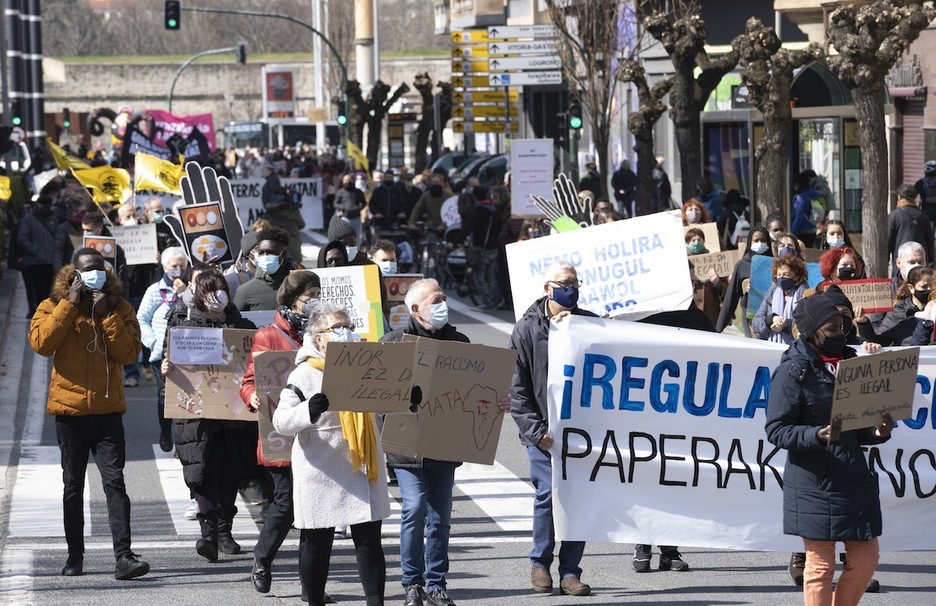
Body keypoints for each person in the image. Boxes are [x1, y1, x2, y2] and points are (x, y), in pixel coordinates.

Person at [28, 247, 150, 580]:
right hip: (70, 412)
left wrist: (107, 315)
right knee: (72, 486)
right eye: (87, 269)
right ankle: (75, 556)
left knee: (115, 482)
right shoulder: (52, 305)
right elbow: (41, 344)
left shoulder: (119, 307)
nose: (94, 274)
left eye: (99, 268)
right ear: (74, 274)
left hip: (107, 412)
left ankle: (124, 557)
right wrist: (69, 305)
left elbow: (129, 354)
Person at [766, 294, 894, 606]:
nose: (840, 333)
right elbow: (776, 430)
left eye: (842, 326)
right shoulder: (793, 371)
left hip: (852, 477)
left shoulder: (854, 366)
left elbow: (859, 427)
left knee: (866, 558)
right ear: (811, 332)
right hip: (814, 482)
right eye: (832, 328)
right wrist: (817, 434)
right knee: (821, 566)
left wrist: (878, 431)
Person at [273, 302, 392, 606]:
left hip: (362, 464)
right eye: (337, 328)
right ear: (319, 337)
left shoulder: (365, 366)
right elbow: (281, 421)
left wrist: (408, 398)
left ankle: (375, 602)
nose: (346, 333)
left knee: (369, 541)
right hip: (322, 471)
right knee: (318, 544)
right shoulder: (303, 374)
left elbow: (386, 399)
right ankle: (314, 600)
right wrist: (308, 410)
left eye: (348, 327)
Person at [381, 279, 489, 606]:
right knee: (414, 509)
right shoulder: (393, 344)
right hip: (407, 448)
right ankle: (412, 583)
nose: (444, 305)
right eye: (437, 300)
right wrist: (402, 399)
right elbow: (376, 399)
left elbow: (476, 392)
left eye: (444, 299)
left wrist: (495, 401)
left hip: (444, 444)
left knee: (440, 518)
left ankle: (437, 584)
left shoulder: (460, 343)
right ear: (416, 309)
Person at [509, 261, 595, 597]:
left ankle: (570, 571)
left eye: (575, 283)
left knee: (577, 498)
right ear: (548, 288)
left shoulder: (590, 324)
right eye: (564, 283)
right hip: (542, 433)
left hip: (582, 434)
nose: (571, 289)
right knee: (547, 495)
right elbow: (516, 388)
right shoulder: (526, 329)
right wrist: (535, 432)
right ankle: (540, 563)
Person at [163, 269, 257, 562]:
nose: (217, 295)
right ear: (200, 296)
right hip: (198, 416)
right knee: (204, 473)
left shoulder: (243, 327)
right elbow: (171, 364)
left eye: (221, 288)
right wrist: (166, 368)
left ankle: (224, 530)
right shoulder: (185, 328)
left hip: (234, 416)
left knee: (230, 472)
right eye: (210, 290)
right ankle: (209, 533)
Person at [241, 271, 321, 595]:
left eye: (319, 295)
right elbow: (249, 380)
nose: (315, 302)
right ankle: (262, 559)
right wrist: (252, 396)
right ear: (291, 300)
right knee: (285, 505)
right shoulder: (268, 336)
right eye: (309, 297)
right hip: (282, 433)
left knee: (314, 510)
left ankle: (310, 583)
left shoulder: (322, 334)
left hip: (317, 432)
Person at [137, 246, 188, 452]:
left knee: (188, 395)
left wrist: (185, 293)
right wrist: (152, 342)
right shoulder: (154, 291)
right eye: (174, 266)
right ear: (164, 267)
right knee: (164, 395)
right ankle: (166, 431)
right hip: (162, 353)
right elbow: (142, 319)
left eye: (182, 266)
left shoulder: (190, 288)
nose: (178, 269)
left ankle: (183, 440)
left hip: (187, 351)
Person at [716, 226, 773, 336]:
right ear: (750, 243)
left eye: (763, 240)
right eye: (756, 240)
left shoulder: (775, 264)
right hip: (749, 316)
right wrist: (718, 329)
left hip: (770, 315)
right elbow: (731, 297)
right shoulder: (742, 265)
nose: (760, 243)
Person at [856, 265, 933, 346]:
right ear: (911, 288)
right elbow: (879, 341)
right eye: (924, 287)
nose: (929, 290)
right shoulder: (898, 313)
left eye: (932, 286)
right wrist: (864, 324)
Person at [451, 185, 500, 311]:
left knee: (479, 276)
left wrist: (455, 242)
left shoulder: (476, 210)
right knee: (490, 276)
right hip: (493, 247)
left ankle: (487, 303)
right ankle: (492, 301)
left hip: (480, 248)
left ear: (474, 196)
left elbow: (467, 229)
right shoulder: (494, 210)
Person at [233, 226, 294, 311]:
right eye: (261, 253)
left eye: (270, 252)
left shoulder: (296, 286)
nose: (265, 257)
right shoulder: (244, 292)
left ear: (283, 254)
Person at [752, 255, 809, 344]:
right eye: (779, 275)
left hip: (794, 348)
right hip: (770, 345)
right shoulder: (772, 292)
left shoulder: (804, 294)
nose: (782, 278)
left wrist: (785, 324)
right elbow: (755, 322)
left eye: (786, 275)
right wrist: (771, 320)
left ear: (796, 277)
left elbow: (807, 325)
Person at [18, 194, 59, 318]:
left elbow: (58, 237)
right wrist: (34, 251)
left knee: (50, 290)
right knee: (38, 291)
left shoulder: (54, 219)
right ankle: (40, 315)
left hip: (50, 261)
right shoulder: (29, 219)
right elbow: (22, 238)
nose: (45, 208)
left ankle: (49, 315)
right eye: (43, 205)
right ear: (38, 205)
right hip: (35, 262)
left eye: (47, 205)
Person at [887, 183, 933, 278]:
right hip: (920, 260)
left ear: (899, 196)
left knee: (900, 284)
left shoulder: (894, 215)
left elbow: (889, 239)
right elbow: (929, 240)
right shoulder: (923, 215)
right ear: (915, 197)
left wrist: (886, 257)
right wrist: (930, 259)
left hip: (902, 259)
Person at [262, 186, 306, 265]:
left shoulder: (268, 214)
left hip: (276, 253)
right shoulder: (293, 212)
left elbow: (261, 226)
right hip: (293, 252)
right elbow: (302, 225)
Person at [791, 169, 821, 247]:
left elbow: (799, 216)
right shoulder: (813, 194)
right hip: (812, 229)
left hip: (802, 231)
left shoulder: (800, 197)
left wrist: (792, 233)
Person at [333, 173, 367, 240]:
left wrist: (358, 208)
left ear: (352, 181)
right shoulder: (340, 192)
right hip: (345, 217)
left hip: (356, 217)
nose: (347, 182)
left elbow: (364, 203)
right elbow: (335, 203)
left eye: (349, 180)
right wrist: (343, 207)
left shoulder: (358, 192)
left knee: (357, 237)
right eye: (346, 181)